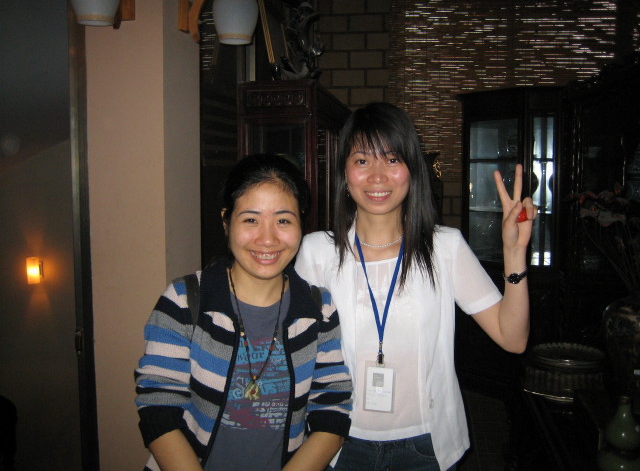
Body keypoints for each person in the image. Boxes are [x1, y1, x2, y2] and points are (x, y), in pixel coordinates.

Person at [294, 102, 536, 471]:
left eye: (392, 159)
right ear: (345, 171)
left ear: (412, 168)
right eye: (362, 161)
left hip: (427, 444)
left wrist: (514, 254)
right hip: (338, 441)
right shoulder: (316, 253)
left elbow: (513, 338)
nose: (377, 176)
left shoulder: (445, 248)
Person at [135, 154, 353, 471]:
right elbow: (158, 404)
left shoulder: (318, 309)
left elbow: (331, 408)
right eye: (251, 220)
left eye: (283, 220)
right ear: (227, 221)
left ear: (301, 224)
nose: (267, 239)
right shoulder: (185, 300)